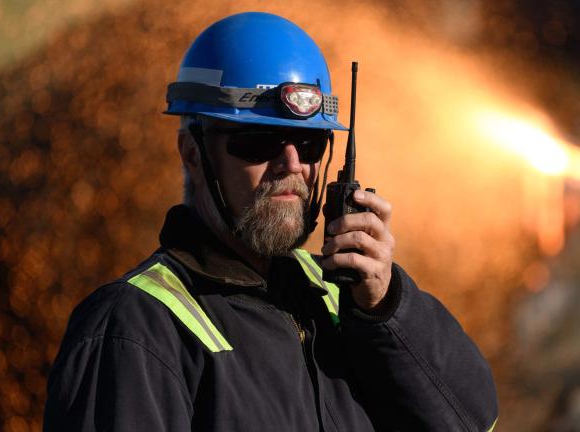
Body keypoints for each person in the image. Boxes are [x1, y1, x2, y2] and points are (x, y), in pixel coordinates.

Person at [44, 12, 498, 431]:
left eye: (310, 143)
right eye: (259, 140)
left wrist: (386, 308)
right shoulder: (133, 330)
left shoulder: (340, 298)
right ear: (193, 154)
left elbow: (473, 422)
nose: (291, 163)